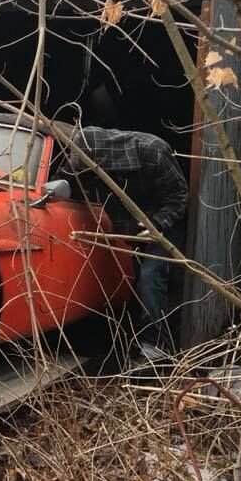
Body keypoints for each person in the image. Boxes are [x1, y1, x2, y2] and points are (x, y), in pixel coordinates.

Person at [64, 125, 188, 354]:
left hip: (164, 221)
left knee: (151, 276)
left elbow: (179, 196)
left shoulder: (153, 151)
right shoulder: (87, 160)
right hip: (130, 225)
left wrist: (156, 225)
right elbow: (67, 182)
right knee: (137, 278)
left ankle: (155, 344)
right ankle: (136, 334)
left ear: (103, 159)